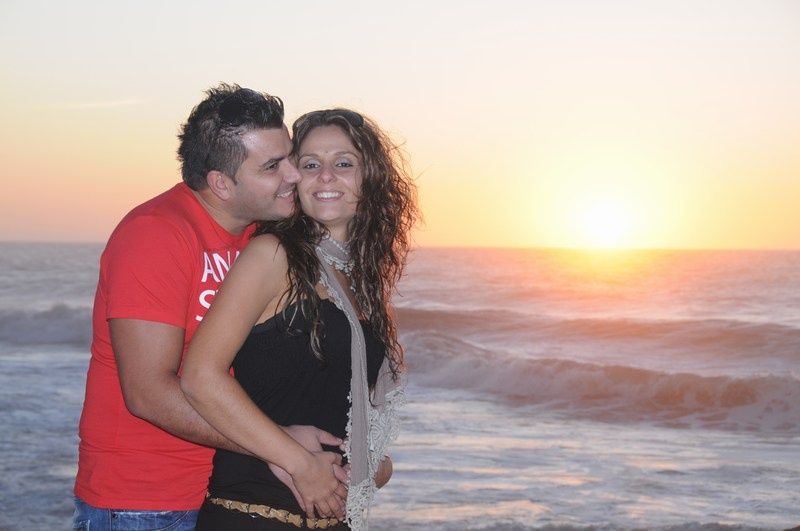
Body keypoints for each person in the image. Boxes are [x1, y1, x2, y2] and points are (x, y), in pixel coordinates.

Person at [73, 84, 348, 531]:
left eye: (290, 157)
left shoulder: (260, 236)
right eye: (272, 166)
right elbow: (147, 393)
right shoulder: (155, 234)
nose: (294, 175)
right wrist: (284, 449)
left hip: (225, 492)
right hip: (146, 501)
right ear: (221, 183)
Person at [180, 108, 419, 530]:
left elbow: (341, 409)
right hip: (251, 513)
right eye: (310, 165)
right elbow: (200, 377)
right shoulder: (272, 255)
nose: (326, 176)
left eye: (343, 163)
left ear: (370, 177)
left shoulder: (362, 279)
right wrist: (298, 462)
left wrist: (374, 466)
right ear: (295, 180)